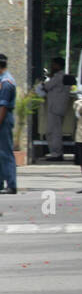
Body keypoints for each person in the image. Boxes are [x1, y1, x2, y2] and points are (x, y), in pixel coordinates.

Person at [40, 56, 70, 161]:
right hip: (58, 107)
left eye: (53, 64)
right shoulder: (63, 76)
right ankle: (56, 152)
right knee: (54, 131)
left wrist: (46, 80)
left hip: (55, 108)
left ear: (58, 65)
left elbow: (46, 87)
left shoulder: (58, 77)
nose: (51, 66)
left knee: (53, 132)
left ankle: (56, 153)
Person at [0, 54, 17, 194]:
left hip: (3, 119)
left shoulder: (6, 82)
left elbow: (3, 107)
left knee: (6, 153)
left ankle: (11, 184)